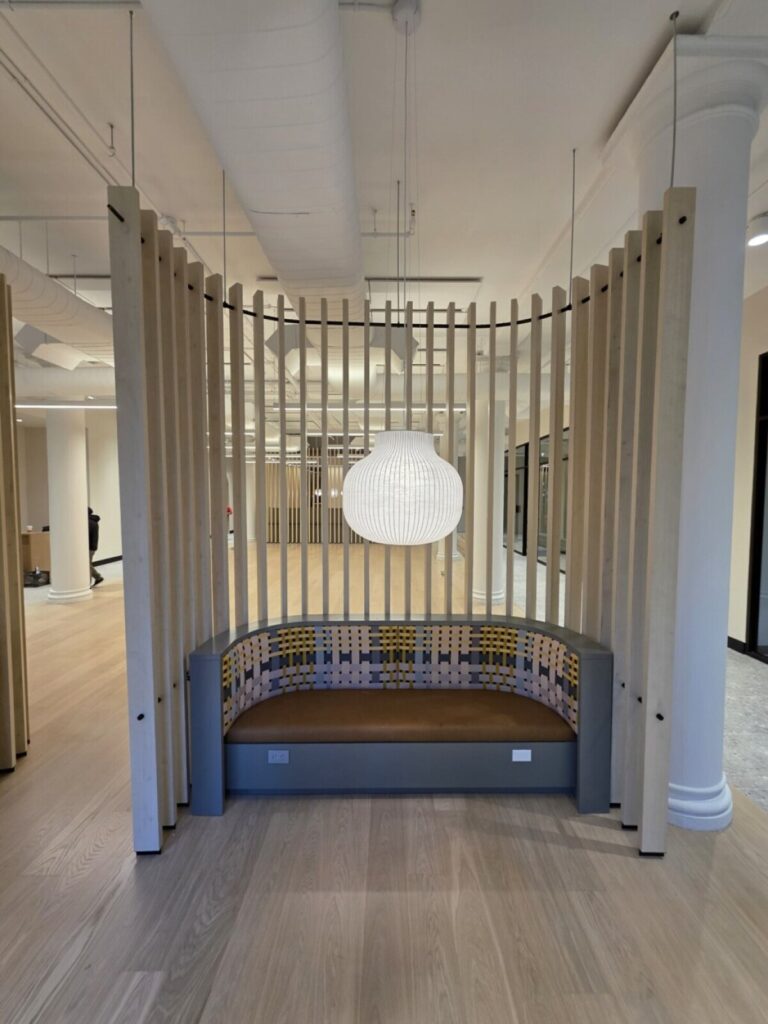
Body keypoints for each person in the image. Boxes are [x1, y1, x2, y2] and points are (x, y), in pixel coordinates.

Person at [88, 507, 103, 587]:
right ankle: (98, 577)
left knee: (86, 565)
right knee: (88, 564)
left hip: (89, 547)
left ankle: (96, 578)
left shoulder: (88, 523)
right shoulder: (94, 522)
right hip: (93, 546)